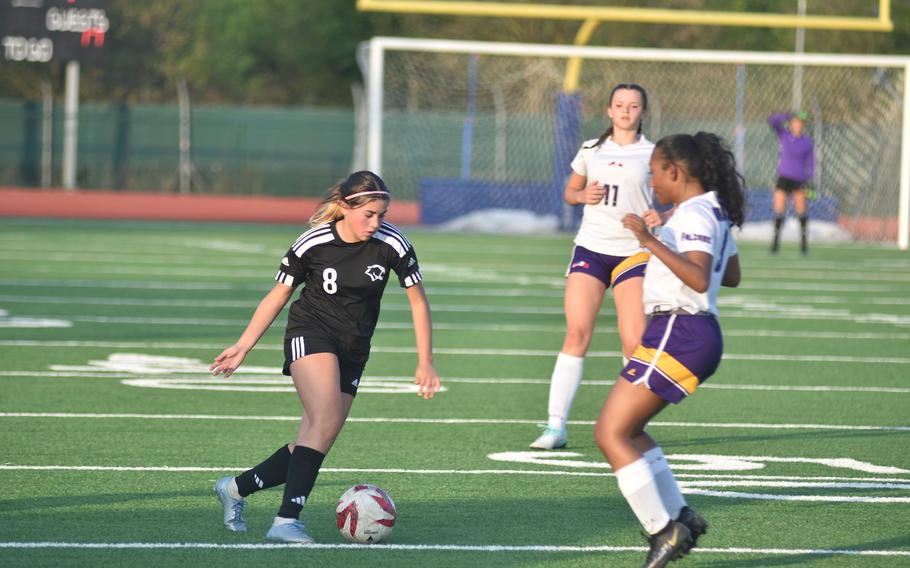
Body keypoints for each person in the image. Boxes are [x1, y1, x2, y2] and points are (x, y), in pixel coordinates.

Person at [210, 170, 440, 543]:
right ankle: (286, 521)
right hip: (310, 333)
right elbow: (279, 295)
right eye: (368, 214)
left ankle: (235, 488)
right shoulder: (312, 242)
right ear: (346, 207)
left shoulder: (393, 243)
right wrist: (243, 345)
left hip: (354, 348)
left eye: (381, 214)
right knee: (325, 419)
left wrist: (425, 360)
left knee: (319, 435)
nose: (375, 222)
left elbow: (418, 301)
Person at [598, 132, 744, 567]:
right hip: (691, 331)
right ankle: (681, 514)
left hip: (679, 328)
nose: (652, 182)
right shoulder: (709, 211)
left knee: (610, 433)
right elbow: (731, 274)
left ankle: (664, 528)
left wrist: (651, 239)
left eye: (656, 173)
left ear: (676, 172)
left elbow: (700, 278)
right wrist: (669, 228)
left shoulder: (696, 213)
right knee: (633, 432)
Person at [530, 83, 659, 450]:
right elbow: (570, 192)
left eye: (633, 106)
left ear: (642, 113)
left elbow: (669, 198)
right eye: (619, 105)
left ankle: (630, 426)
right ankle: (555, 427)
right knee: (577, 333)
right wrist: (581, 195)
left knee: (634, 342)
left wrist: (659, 213)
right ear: (609, 110)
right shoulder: (591, 149)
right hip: (592, 248)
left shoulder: (654, 153)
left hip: (634, 253)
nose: (625, 111)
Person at [768, 110, 814, 255]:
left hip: (799, 180)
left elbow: (811, 162)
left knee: (801, 211)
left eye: (801, 122)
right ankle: (775, 244)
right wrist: (787, 115)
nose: (798, 125)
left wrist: (810, 180)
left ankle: (804, 244)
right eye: (796, 122)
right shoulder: (784, 135)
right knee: (779, 209)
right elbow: (772, 120)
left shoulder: (806, 142)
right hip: (783, 178)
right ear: (792, 123)